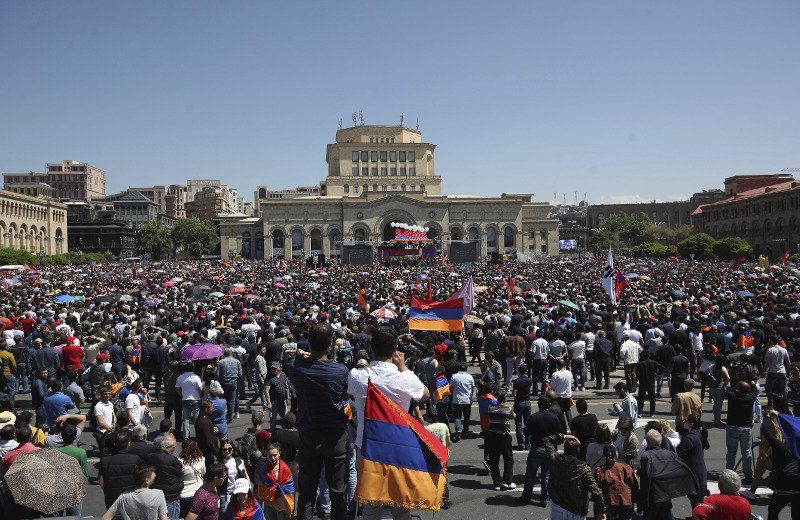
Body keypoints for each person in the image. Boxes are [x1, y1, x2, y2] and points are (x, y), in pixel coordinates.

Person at [348, 326, 428, 520]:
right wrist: (405, 368)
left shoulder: (358, 376)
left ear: (372, 349)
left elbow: (351, 390)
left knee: (371, 507)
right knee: (401, 507)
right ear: (395, 350)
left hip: (369, 448)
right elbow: (425, 394)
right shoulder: (404, 377)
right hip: (398, 446)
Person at [285, 322, 350, 520]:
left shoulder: (296, 369)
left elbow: (292, 361)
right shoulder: (340, 371)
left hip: (308, 436)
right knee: (338, 492)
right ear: (331, 343)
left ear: (308, 343)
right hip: (336, 436)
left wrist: (304, 355)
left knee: (307, 492)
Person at [543, 433, 607, 520]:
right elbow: (596, 491)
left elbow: (547, 440)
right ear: (577, 450)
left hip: (558, 507)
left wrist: (565, 436)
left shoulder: (555, 459)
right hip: (576, 511)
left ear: (565, 449)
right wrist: (602, 511)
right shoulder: (584, 468)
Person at [637, 429, 698, 520]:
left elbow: (645, 480)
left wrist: (642, 502)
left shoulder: (646, 456)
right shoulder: (670, 453)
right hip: (666, 495)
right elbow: (682, 467)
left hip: (653, 498)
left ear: (648, 442)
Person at [517, 395, 563, 506]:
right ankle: (544, 499)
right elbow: (559, 434)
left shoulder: (533, 417)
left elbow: (526, 433)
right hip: (549, 449)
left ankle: (526, 497)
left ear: (538, 405)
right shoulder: (554, 417)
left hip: (536, 448)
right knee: (546, 475)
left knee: (530, 475)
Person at [761, 409, 800, 520]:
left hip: (783, 488)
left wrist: (768, 416)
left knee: (773, 512)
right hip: (798, 489)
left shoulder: (784, 448)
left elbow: (765, 430)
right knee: (797, 514)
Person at [102, 462, 169, 520]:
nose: (155, 475)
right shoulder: (158, 494)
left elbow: (106, 517)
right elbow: (163, 518)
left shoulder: (124, 497)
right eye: (153, 474)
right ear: (147, 481)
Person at [98, 429, 143, 508]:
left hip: (111, 497)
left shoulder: (105, 461)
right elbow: (140, 478)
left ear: (115, 444)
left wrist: (107, 491)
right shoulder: (136, 459)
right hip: (130, 496)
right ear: (129, 444)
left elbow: (101, 480)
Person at [724, 381, 757, 483]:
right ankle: (748, 475)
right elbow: (755, 391)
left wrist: (735, 385)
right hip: (746, 428)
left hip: (732, 427)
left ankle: (728, 474)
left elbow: (724, 393)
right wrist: (752, 384)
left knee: (731, 452)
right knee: (746, 452)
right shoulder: (750, 398)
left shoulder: (732, 396)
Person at [595, 445, 639, 520]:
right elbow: (634, 484)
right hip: (626, 501)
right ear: (616, 453)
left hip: (610, 502)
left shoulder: (601, 470)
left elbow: (598, 489)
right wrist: (638, 500)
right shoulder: (625, 467)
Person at [147, 433, 184, 520]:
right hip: (170, 496)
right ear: (167, 448)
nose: (174, 450)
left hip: (155, 494)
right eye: (173, 448)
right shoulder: (172, 460)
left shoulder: (149, 457)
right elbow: (180, 471)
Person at [677, 415, 709, 511]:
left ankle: (698, 516)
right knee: (700, 499)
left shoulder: (689, 438)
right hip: (700, 472)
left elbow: (681, 455)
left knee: (694, 499)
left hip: (693, 473)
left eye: (686, 420)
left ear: (691, 424)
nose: (683, 420)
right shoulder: (698, 434)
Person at [256, 443, 295, 520]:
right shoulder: (264, 469)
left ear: (279, 454)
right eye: (270, 455)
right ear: (267, 455)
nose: (273, 458)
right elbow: (262, 486)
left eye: (275, 455)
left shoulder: (285, 469)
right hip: (269, 501)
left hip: (282, 501)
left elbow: (289, 487)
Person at [485, 393, 515, 491]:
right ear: (504, 400)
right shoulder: (508, 409)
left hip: (493, 436)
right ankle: (507, 481)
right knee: (508, 458)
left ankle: (497, 483)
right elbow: (513, 416)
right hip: (504, 436)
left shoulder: (490, 408)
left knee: (494, 460)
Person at [424, 409, 452, 509]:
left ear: (430, 419)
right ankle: (446, 499)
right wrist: (447, 450)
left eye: (426, 416)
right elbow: (448, 441)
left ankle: (432, 498)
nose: (425, 418)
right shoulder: (444, 426)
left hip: (430, 456)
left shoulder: (426, 428)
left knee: (431, 476)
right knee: (443, 477)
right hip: (442, 455)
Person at [179, 440, 207, 519]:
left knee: (186, 517)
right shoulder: (201, 459)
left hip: (185, 494)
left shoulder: (179, 461)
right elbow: (203, 473)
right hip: (198, 493)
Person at [220, 438, 250, 511]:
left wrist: (249, 487)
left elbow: (245, 475)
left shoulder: (239, 461)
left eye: (229, 449)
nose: (227, 451)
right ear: (221, 450)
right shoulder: (218, 463)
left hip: (238, 492)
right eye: (225, 449)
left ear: (233, 449)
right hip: (225, 494)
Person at [176, 363, 203, 441]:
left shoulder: (180, 377)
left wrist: (182, 395)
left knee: (186, 419)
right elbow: (200, 389)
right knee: (196, 419)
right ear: (193, 369)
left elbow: (177, 389)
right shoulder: (196, 377)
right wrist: (200, 396)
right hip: (196, 399)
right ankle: (198, 437)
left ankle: (186, 437)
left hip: (185, 399)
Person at [450, 362, 475, 441]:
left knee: (457, 416)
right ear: (466, 368)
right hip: (467, 400)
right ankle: (466, 430)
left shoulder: (454, 376)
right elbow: (472, 388)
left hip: (457, 400)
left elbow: (451, 388)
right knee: (467, 416)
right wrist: (471, 397)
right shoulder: (470, 377)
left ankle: (458, 430)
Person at [265, 362, 291, 433]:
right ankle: (273, 433)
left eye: (275, 368)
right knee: (273, 419)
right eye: (272, 368)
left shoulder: (283, 375)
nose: (273, 370)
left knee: (284, 417)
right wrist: (269, 403)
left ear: (280, 368)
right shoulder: (269, 377)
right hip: (274, 402)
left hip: (282, 400)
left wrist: (288, 398)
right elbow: (266, 391)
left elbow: (286, 387)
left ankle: (284, 432)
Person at [512, 364, 533, 450]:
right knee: (527, 424)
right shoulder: (529, 380)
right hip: (527, 402)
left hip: (519, 403)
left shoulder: (516, 381)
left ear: (519, 371)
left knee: (518, 424)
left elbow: (514, 394)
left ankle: (521, 443)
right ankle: (528, 444)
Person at [195, 400, 221, 468]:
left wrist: (212, 429)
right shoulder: (203, 422)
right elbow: (208, 441)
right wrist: (217, 453)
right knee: (209, 467)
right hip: (207, 451)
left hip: (208, 450)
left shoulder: (205, 418)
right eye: (211, 408)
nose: (213, 409)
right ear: (206, 409)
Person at [636, 350, 658, 417]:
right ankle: (652, 412)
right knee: (652, 398)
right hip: (651, 382)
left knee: (641, 398)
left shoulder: (640, 364)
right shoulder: (654, 362)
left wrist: (637, 380)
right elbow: (661, 367)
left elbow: (637, 374)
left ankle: (639, 412)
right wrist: (657, 373)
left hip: (642, 382)